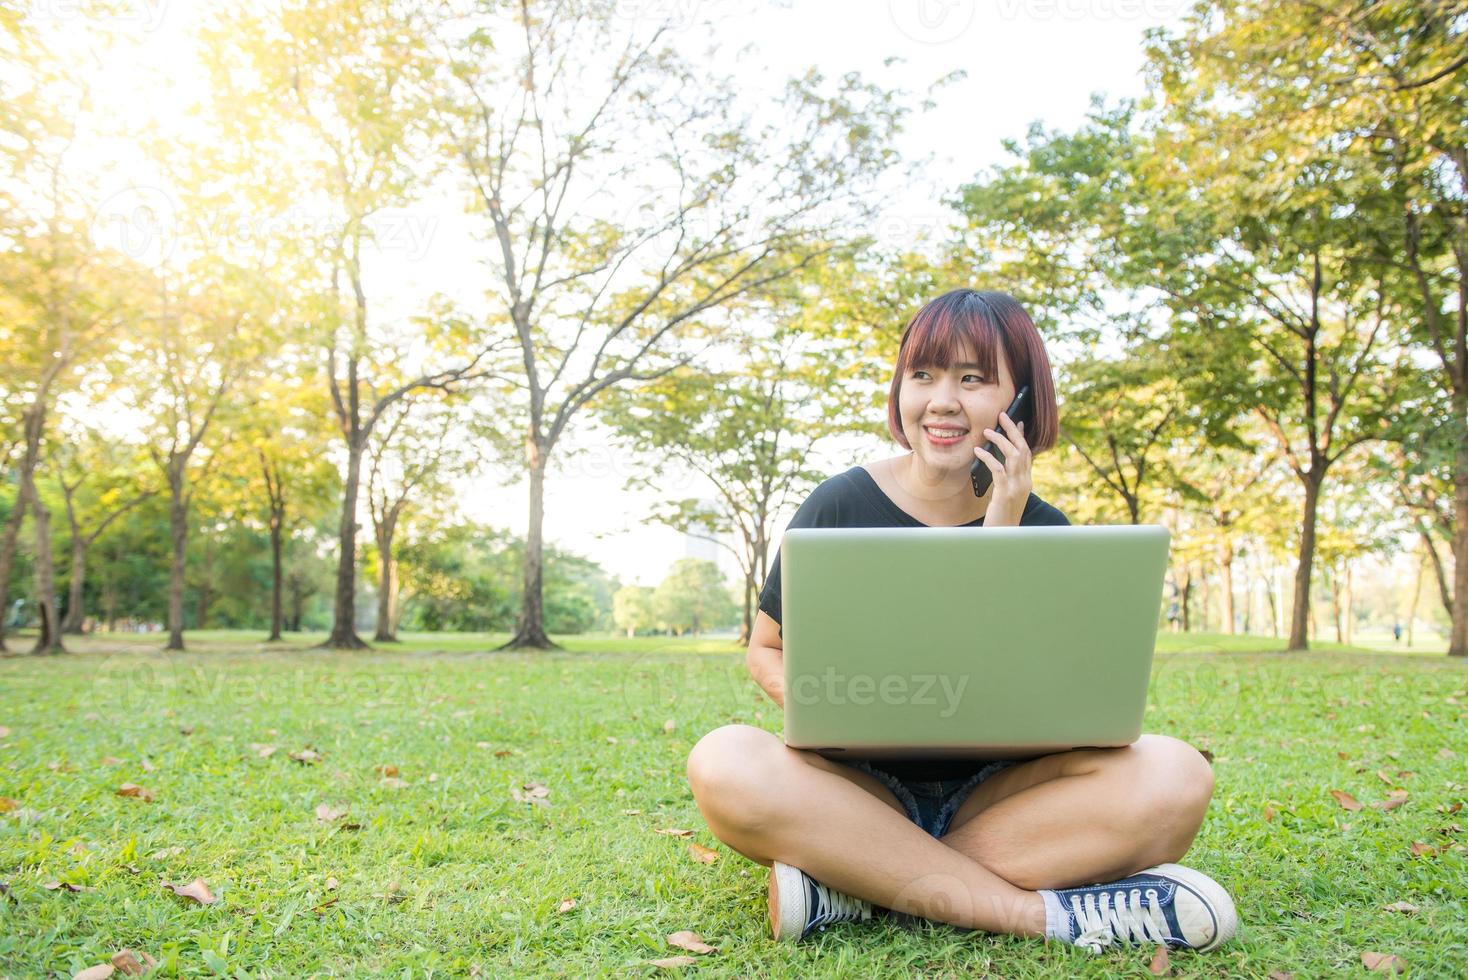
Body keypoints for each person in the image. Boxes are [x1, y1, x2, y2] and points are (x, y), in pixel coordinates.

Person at [686, 289, 1237, 954]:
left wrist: (1002, 529)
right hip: (856, 790)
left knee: (1176, 776)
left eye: (973, 379)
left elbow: (1057, 687)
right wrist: (827, 700)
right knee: (723, 761)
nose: (942, 401)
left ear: (1022, 401)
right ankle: (1046, 917)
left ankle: (856, 881)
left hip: (1003, 798)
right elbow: (766, 650)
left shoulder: (1047, 530)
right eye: (923, 375)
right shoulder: (839, 502)